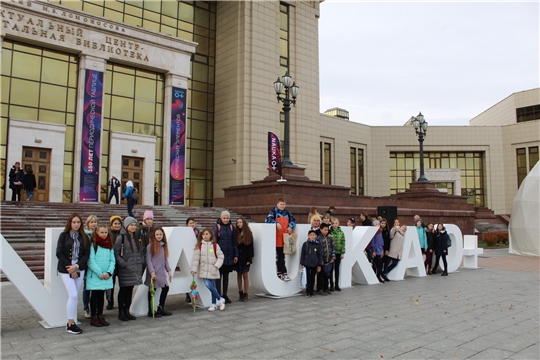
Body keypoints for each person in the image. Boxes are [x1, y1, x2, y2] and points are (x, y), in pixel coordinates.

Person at [56, 213, 90, 335]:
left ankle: (73, 321)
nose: (76, 224)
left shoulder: (84, 237)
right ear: (70, 223)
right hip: (66, 269)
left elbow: (86, 254)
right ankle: (70, 323)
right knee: (73, 295)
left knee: (75, 295)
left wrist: (76, 266)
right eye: (74, 222)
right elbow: (59, 253)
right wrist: (71, 268)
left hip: (79, 268)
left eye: (78, 222)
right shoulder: (64, 236)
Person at [114, 216, 143, 321]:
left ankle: (127, 310)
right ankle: (121, 312)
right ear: (126, 226)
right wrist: (124, 264)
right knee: (123, 289)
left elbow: (140, 251)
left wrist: (140, 262)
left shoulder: (136, 237)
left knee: (130, 289)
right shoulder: (121, 237)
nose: (133, 227)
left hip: (134, 268)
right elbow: (116, 253)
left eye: (134, 225)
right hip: (125, 268)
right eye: (131, 225)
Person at [86, 224, 115, 327]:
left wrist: (109, 272)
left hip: (106, 275)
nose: (104, 234)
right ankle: (94, 316)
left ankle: (100, 315)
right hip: (95, 276)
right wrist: (100, 273)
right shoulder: (93, 244)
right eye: (102, 232)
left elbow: (112, 260)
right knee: (95, 295)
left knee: (101, 295)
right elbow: (91, 261)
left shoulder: (109, 244)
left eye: (105, 232)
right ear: (97, 233)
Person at [191, 229, 226, 312]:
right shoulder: (199, 246)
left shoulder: (215, 245)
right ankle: (220, 299)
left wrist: (216, 266)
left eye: (207, 234)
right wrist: (194, 269)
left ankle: (213, 304)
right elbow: (196, 259)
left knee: (212, 286)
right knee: (208, 284)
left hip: (212, 269)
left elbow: (221, 257)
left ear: (210, 235)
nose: (205, 236)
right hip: (203, 269)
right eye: (203, 234)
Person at [264, 198, 296, 281]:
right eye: (281, 204)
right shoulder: (273, 212)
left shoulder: (287, 213)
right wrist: (276, 223)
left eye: (283, 204)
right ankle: (284, 273)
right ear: (277, 204)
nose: (282, 206)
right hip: (276, 238)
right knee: (281, 256)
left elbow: (293, 220)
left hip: (285, 238)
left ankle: (279, 272)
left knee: (281, 256)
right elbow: (267, 220)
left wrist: (290, 226)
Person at [145, 227, 173, 317]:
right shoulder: (150, 246)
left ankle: (161, 307)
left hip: (161, 272)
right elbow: (148, 260)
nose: (159, 236)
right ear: (154, 235)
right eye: (157, 234)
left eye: (160, 234)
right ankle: (151, 310)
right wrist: (152, 272)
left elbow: (165, 259)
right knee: (152, 290)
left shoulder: (163, 245)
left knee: (165, 288)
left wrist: (168, 270)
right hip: (154, 272)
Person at [213, 211, 238, 303]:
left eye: (227, 218)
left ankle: (225, 295)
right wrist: (214, 255)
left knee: (226, 276)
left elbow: (235, 242)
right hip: (220, 256)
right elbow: (214, 243)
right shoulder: (217, 228)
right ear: (221, 218)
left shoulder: (232, 228)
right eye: (224, 218)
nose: (226, 220)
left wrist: (236, 255)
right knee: (218, 276)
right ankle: (218, 295)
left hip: (229, 255)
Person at [82, 215, 99, 319]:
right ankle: (86, 308)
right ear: (87, 223)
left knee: (97, 287)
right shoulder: (84, 235)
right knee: (87, 287)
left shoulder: (100, 233)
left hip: (98, 263)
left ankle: (95, 307)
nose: (94, 224)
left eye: (95, 222)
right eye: (91, 222)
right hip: (87, 264)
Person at [106, 215, 123, 310]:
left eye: (118, 224)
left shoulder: (123, 234)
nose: (117, 225)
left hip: (121, 262)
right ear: (111, 224)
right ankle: (110, 301)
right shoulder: (108, 233)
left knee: (122, 283)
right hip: (111, 262)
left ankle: (121, 301)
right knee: (110, 284)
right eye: (115, 223)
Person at [235, 217, 254, 302]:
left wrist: (249, 259)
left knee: (245, 275)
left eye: (240, 222)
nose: (239, 224)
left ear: (244, 223)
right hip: (238, 257)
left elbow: (251, 247)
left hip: (245, 257)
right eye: (238, 222)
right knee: (239, 275)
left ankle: (246, 293)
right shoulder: (236, 233)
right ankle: (240, 293)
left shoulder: (248, 233)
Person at [300, 230, 322, 298]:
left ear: (316, 236)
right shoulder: (305, 244)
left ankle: (312, 291)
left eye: (313, 235)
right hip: (307, 264)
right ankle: (308, 291)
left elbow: (319, 255)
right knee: (307, 278)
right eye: (311, 235)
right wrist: (302, 263)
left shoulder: (318, 244)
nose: (312, 236)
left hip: (314, 264)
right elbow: (302, 254)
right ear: (308, 236)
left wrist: (319, 264)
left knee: (313, 278)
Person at [316, 223, 335, 295]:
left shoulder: (330, 238)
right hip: (322, 260)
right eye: (325, 230)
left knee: (327, 274)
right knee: (321, 275)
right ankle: (320, 289)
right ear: (321, 230)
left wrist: (333, 257)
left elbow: (333, 248)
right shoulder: (318, 239)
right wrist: (320, 261)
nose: (326, 231)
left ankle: (326, 288)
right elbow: (317, 251)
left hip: (329, 260)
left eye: (327, 230)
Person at [185, 217, 199, 303]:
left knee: (194, 276)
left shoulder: (198, 233)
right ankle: (187, 294)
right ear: (187, 224)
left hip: (195, 256)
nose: (192, 224)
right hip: (187, 256)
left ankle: (194, 293)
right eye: (190, 223)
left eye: (193, 222)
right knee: (188, 275)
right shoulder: (184, 233)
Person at [329, 217, 345, 291]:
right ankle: (331, 285)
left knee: (337, 269)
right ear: (331, 224)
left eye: (336, 223)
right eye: (333, 223)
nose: (335, 225)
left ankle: (337, 285)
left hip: (338, 253)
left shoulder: (341, 232)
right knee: (331, 269)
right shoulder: (330, 232)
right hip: (332, 253)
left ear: (338, 224)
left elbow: (343, 243)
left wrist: (342, 252)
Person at [138, 210, 155, 274]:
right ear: (144, 219)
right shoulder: (139, 229)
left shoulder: (154, 229)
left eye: (151, 219)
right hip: (142, 254)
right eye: (147, 219)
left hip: (151, 253)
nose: (149, 221)